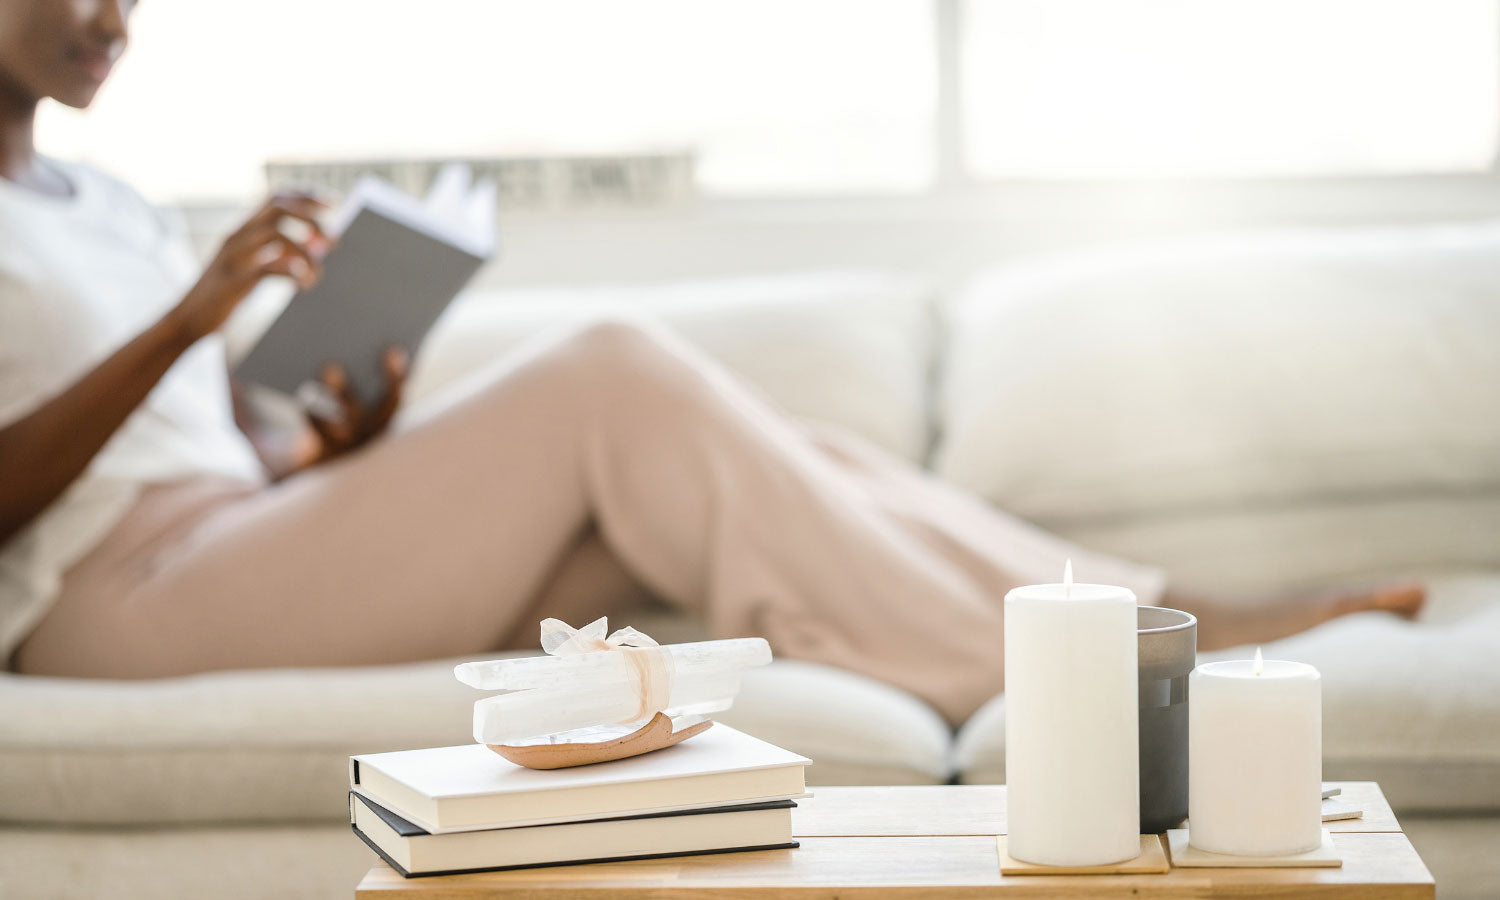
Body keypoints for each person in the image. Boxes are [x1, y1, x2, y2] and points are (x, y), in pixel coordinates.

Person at [0, 0, 1423, 725]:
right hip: (107, 608)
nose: (119, 17)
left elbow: (224, 456)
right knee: (612, 370)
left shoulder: (115, 203)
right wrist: (190, 322)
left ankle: (1164, 618)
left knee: (804, 461)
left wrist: (347, 440)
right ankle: (1051, 685)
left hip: (239, 536)